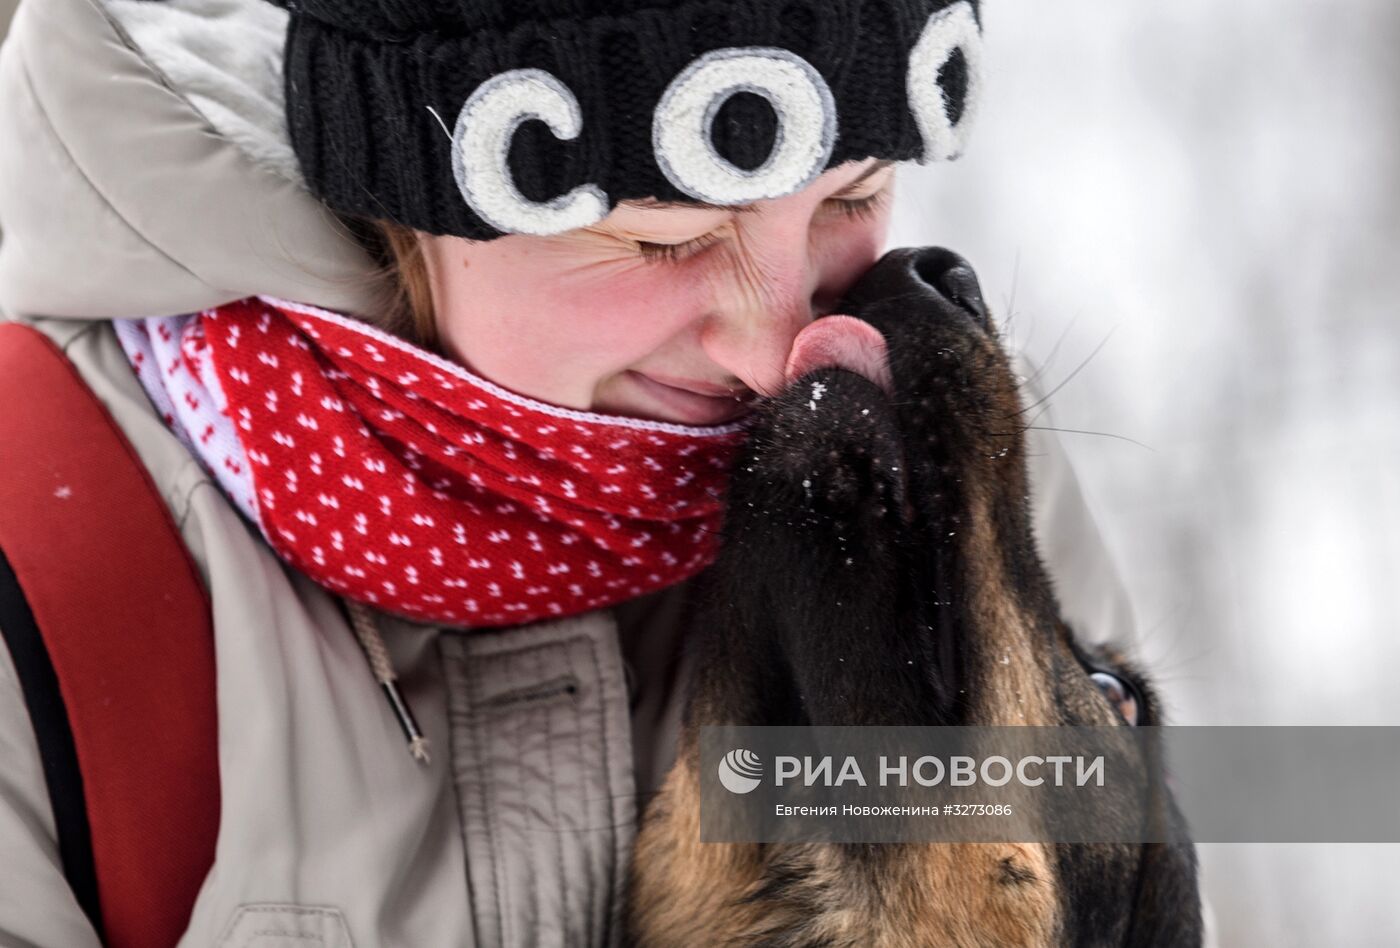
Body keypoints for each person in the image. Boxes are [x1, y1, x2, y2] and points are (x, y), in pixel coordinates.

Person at [0, 0, 1163, 944]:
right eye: (663, 237)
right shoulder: (42, 549)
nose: (775, 350)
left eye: (850, 193)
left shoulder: (916, 454)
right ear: (407, 199)